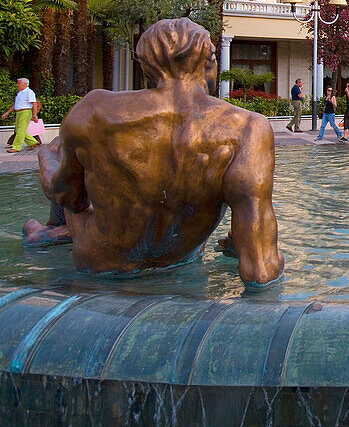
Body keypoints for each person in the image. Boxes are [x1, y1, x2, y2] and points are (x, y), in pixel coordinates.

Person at [21, 18, 284, 286]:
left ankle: (48, 230)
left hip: (98, 261)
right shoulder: (247, 128)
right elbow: (260, 271)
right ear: (210, 62)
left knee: (56, 154)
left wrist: (47, 161)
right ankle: (52, 230)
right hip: (181, 257)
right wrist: (247, 242)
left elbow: (71, 198)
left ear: (146, 65)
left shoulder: (93, 110)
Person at [3, 77, 41, 153]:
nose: (17, 85)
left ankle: (16, 147)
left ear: (25, 84)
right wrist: (7, 112)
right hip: (19, 112)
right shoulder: (19, 93)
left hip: (25, 112)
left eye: (19, 83)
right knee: (18, 130)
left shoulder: (29, 92)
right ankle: (33, 142)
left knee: (20, 130)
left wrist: (34, 115)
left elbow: (34, 103)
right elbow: (16, 104)